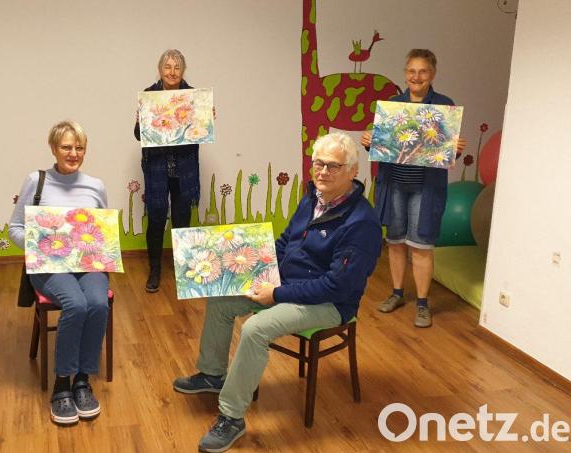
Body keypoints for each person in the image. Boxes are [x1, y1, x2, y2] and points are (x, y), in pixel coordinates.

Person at [173, 133, 382, 452]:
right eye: (318, 163)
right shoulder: (312, 198)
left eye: (333, 166)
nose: (323, 171)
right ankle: (213, 375)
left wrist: (278, 294)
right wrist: (254, 267)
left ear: (353, 171)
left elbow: (338, 285)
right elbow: (286, 242)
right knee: (221, 298)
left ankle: (232, 417)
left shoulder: (361, 223)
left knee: (255, 329)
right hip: (284, 283)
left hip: (329, 302)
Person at [9, 121, 109, 425]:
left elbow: (101, 232)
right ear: (53, 148)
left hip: (86, 264)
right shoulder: (36, 181)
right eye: (66, 147)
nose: (73, 153)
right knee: (76, 304)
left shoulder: (95, 186)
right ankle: (62, 383)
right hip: (48, 266)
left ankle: (83, 380)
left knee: (98, 303)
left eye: (79, 147)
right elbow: (15, 228)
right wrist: (39, 245)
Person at [361, 49, 466, 328]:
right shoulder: (394, 105)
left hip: (425, 188)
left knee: (421, 245)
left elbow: (443, 152)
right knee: (395, 242)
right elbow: (384, 147)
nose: (416, 77)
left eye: (422, 71)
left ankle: (422, 303)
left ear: (432, 74)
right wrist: (371, 142)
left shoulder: (443, 106)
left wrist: (454, 148)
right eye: (411, 71)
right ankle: (397, 293)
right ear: (405, 73)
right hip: (394, 184)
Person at [134, 49, 201, 293]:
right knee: (156, 218)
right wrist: (140, 121)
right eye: (167, 67)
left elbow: (200, 133)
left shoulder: (193, 97)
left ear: (183, 71)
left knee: (182, 219)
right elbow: (138, 135)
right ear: (160, 69)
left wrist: (206, 118)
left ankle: (185, 271)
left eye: (177, 67)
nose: (172, 72)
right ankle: (155, 270)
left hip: (184, 169)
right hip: (157, 168)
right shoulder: (149, 96)